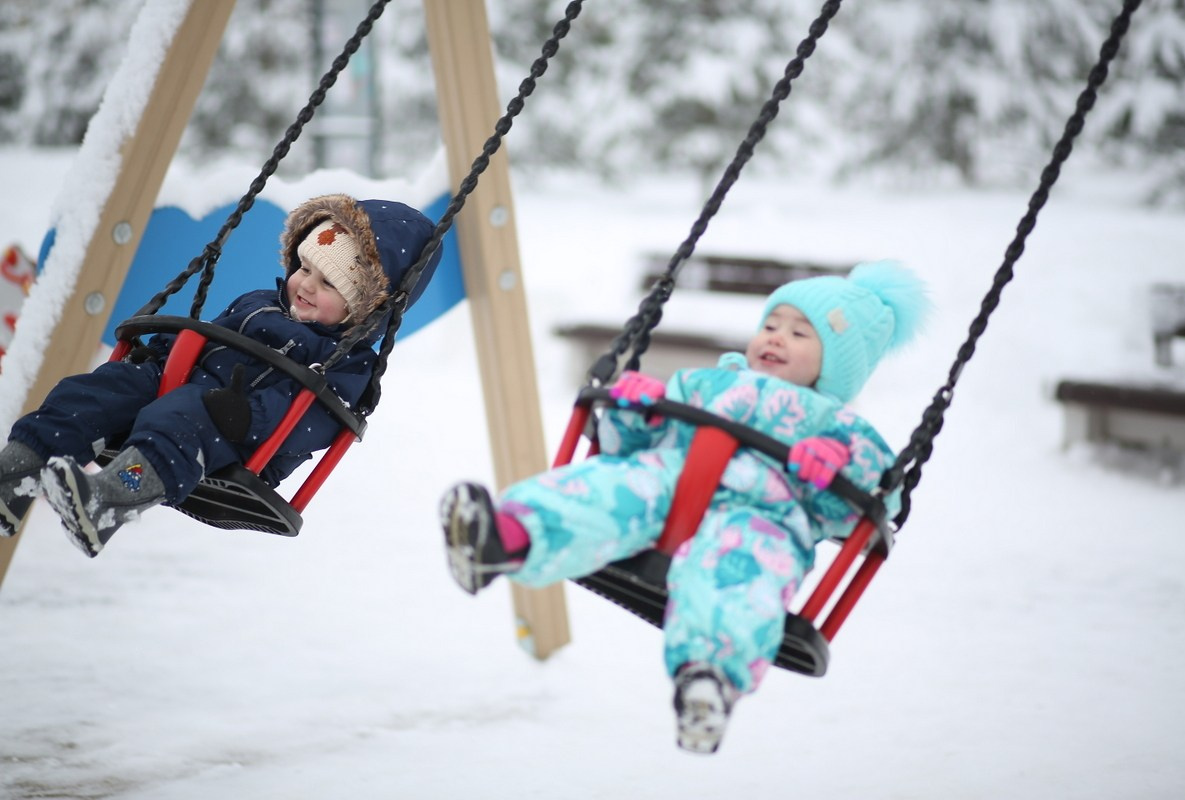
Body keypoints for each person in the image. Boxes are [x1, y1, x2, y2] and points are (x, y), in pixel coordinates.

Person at [438, 260, 929, 754]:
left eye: (801, 333)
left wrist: (837, 463)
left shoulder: (842, 430)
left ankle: (708, 681)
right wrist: (634, 408)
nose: (777, 337)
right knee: (608, 486)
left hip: (762, 517)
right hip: (669, 480)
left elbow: (875, 499)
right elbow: (639, 439)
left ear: (839, 365)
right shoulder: (708, 383)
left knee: (740, 575)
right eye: (771, 324)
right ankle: (503, 536)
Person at [0, 193, 442, 557]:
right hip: (190, 393)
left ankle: (110, 499)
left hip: (244, 442)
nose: (305, 285)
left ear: (365, 306)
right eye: (305, 269)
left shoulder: (348, 362)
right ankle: (18, 469)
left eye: (329, 285)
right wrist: (159, 356)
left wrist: (248, 416)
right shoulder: (259, 302)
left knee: (181, 415)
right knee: (100, 388)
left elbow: (316, 421)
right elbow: (205, 341)